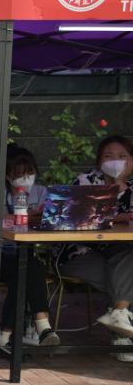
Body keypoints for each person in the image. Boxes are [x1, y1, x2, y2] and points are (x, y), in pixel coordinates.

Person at [0, 146, 59, 349]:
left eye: (30, 173)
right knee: (24, 271)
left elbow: (54, 217)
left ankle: (17, 331)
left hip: (22, 252)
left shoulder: (41, 192)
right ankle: (37, 327)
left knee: (29, 268)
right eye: (19, 174)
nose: (26, 179)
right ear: (8, 176)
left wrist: (42, 216)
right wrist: (14, 217)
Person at [58, 135, 133, 361]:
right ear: (99, 161)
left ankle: (120, 318)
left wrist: (121, 186)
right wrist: (118, 215)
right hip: (80, 252)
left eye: (122, 156)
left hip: (121, 252)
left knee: (126, 265)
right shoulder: (85, 182)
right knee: (125, 277)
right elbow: (74, 216)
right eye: (109, 156)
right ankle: (121, 332)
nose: (116, 161)